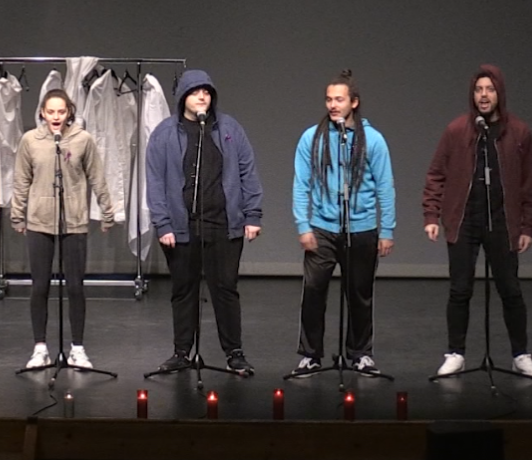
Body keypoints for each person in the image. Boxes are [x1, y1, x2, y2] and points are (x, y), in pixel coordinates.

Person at [423, 65, 532, 378]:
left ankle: (521, 354)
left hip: (503, 221)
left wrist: (528, 225)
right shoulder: (457, 130)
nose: (484, 95)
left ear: (499, 93)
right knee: (459, 290)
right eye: (478, 90)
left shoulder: (519, 132)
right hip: (464, 220)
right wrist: (432, 215)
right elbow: (437, 174)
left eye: (489, 89)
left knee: (510, 290)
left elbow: (529, 182)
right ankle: (455, 353)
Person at [146, 69, 263, 376]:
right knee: (184, 291)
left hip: (223, 225)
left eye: (207, 92)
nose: (202, 97)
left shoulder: (229, 129)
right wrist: (163, 224)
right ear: (183, 96)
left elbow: (247, 171)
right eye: (196, 91)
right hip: (182, 228)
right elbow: (155, 181)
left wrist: (252, 214)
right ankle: (182, 352)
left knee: (225, 290)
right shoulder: (165, 133)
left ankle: (234, 353)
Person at [291, 70, 395, 377]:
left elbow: (385, 186)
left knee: (360, 294)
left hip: (361, 228)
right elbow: (301, 184)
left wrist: (386, 230)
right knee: (313, 291)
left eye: (339, 99)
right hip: (322, 227)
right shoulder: (312, 138)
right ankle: (310, 355)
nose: (333, 105)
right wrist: (303, 225)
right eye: (329, 99)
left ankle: (360, 354)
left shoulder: (372, 140)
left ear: (354, 102)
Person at [11, 89, 114, 369]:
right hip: (39, 221)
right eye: (50, 111)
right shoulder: (30, 140)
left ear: (69, 112)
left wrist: (107, 211)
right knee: (40, 286)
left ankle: (77, 348)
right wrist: (17, 215)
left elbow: (97, 177)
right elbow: (21, 180)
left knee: (75, 286)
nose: (56, 116)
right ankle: (40, 347)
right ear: (42, 112)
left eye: (61, 111)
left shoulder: (82, 140)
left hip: (74, 221)